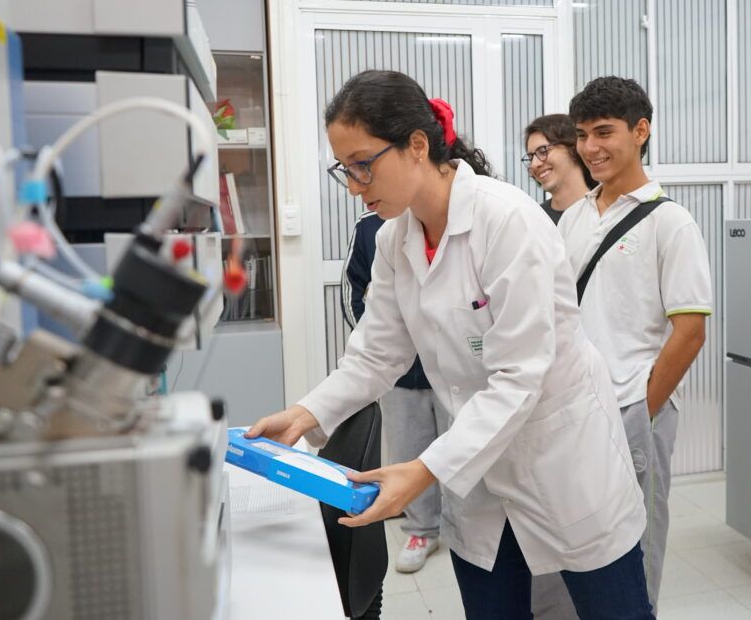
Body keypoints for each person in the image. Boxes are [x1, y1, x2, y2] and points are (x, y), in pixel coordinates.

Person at [246, 70, 653, 619]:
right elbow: (376, 353)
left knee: (613, 609)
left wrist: (423, 470)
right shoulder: (393, 240)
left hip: (560, 459)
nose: (355, 186)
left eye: (364, 164)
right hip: (477, 473)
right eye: (345, 169)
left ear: (417, 145)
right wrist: (304, 413)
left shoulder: (507, 221)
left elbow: (520, 376)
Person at [536, 76, 712, 618]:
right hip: (574, 408)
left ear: (640, 131)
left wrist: (642, 409)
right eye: (582, 135)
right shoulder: (573, 217)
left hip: (633, 407)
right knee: (575, 538)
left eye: (604, 132)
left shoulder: (671, 222)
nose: (590, 147)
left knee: (636, 545)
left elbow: (690, 331)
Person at [342, 210, 448, 573]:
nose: (358, 188)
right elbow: (353, 291)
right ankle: (422, 530)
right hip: (401, 375)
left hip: (453, 370)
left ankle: (463, 528)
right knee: (408, 453)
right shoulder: (371, 227)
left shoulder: (451, 218)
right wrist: (382, 343)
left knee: (463, 451)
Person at [522, 114, 596, 224]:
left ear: (574, 148)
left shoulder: (603, 212)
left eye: (543, 151)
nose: (534, 164)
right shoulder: (536, 220)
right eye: (530, 157)